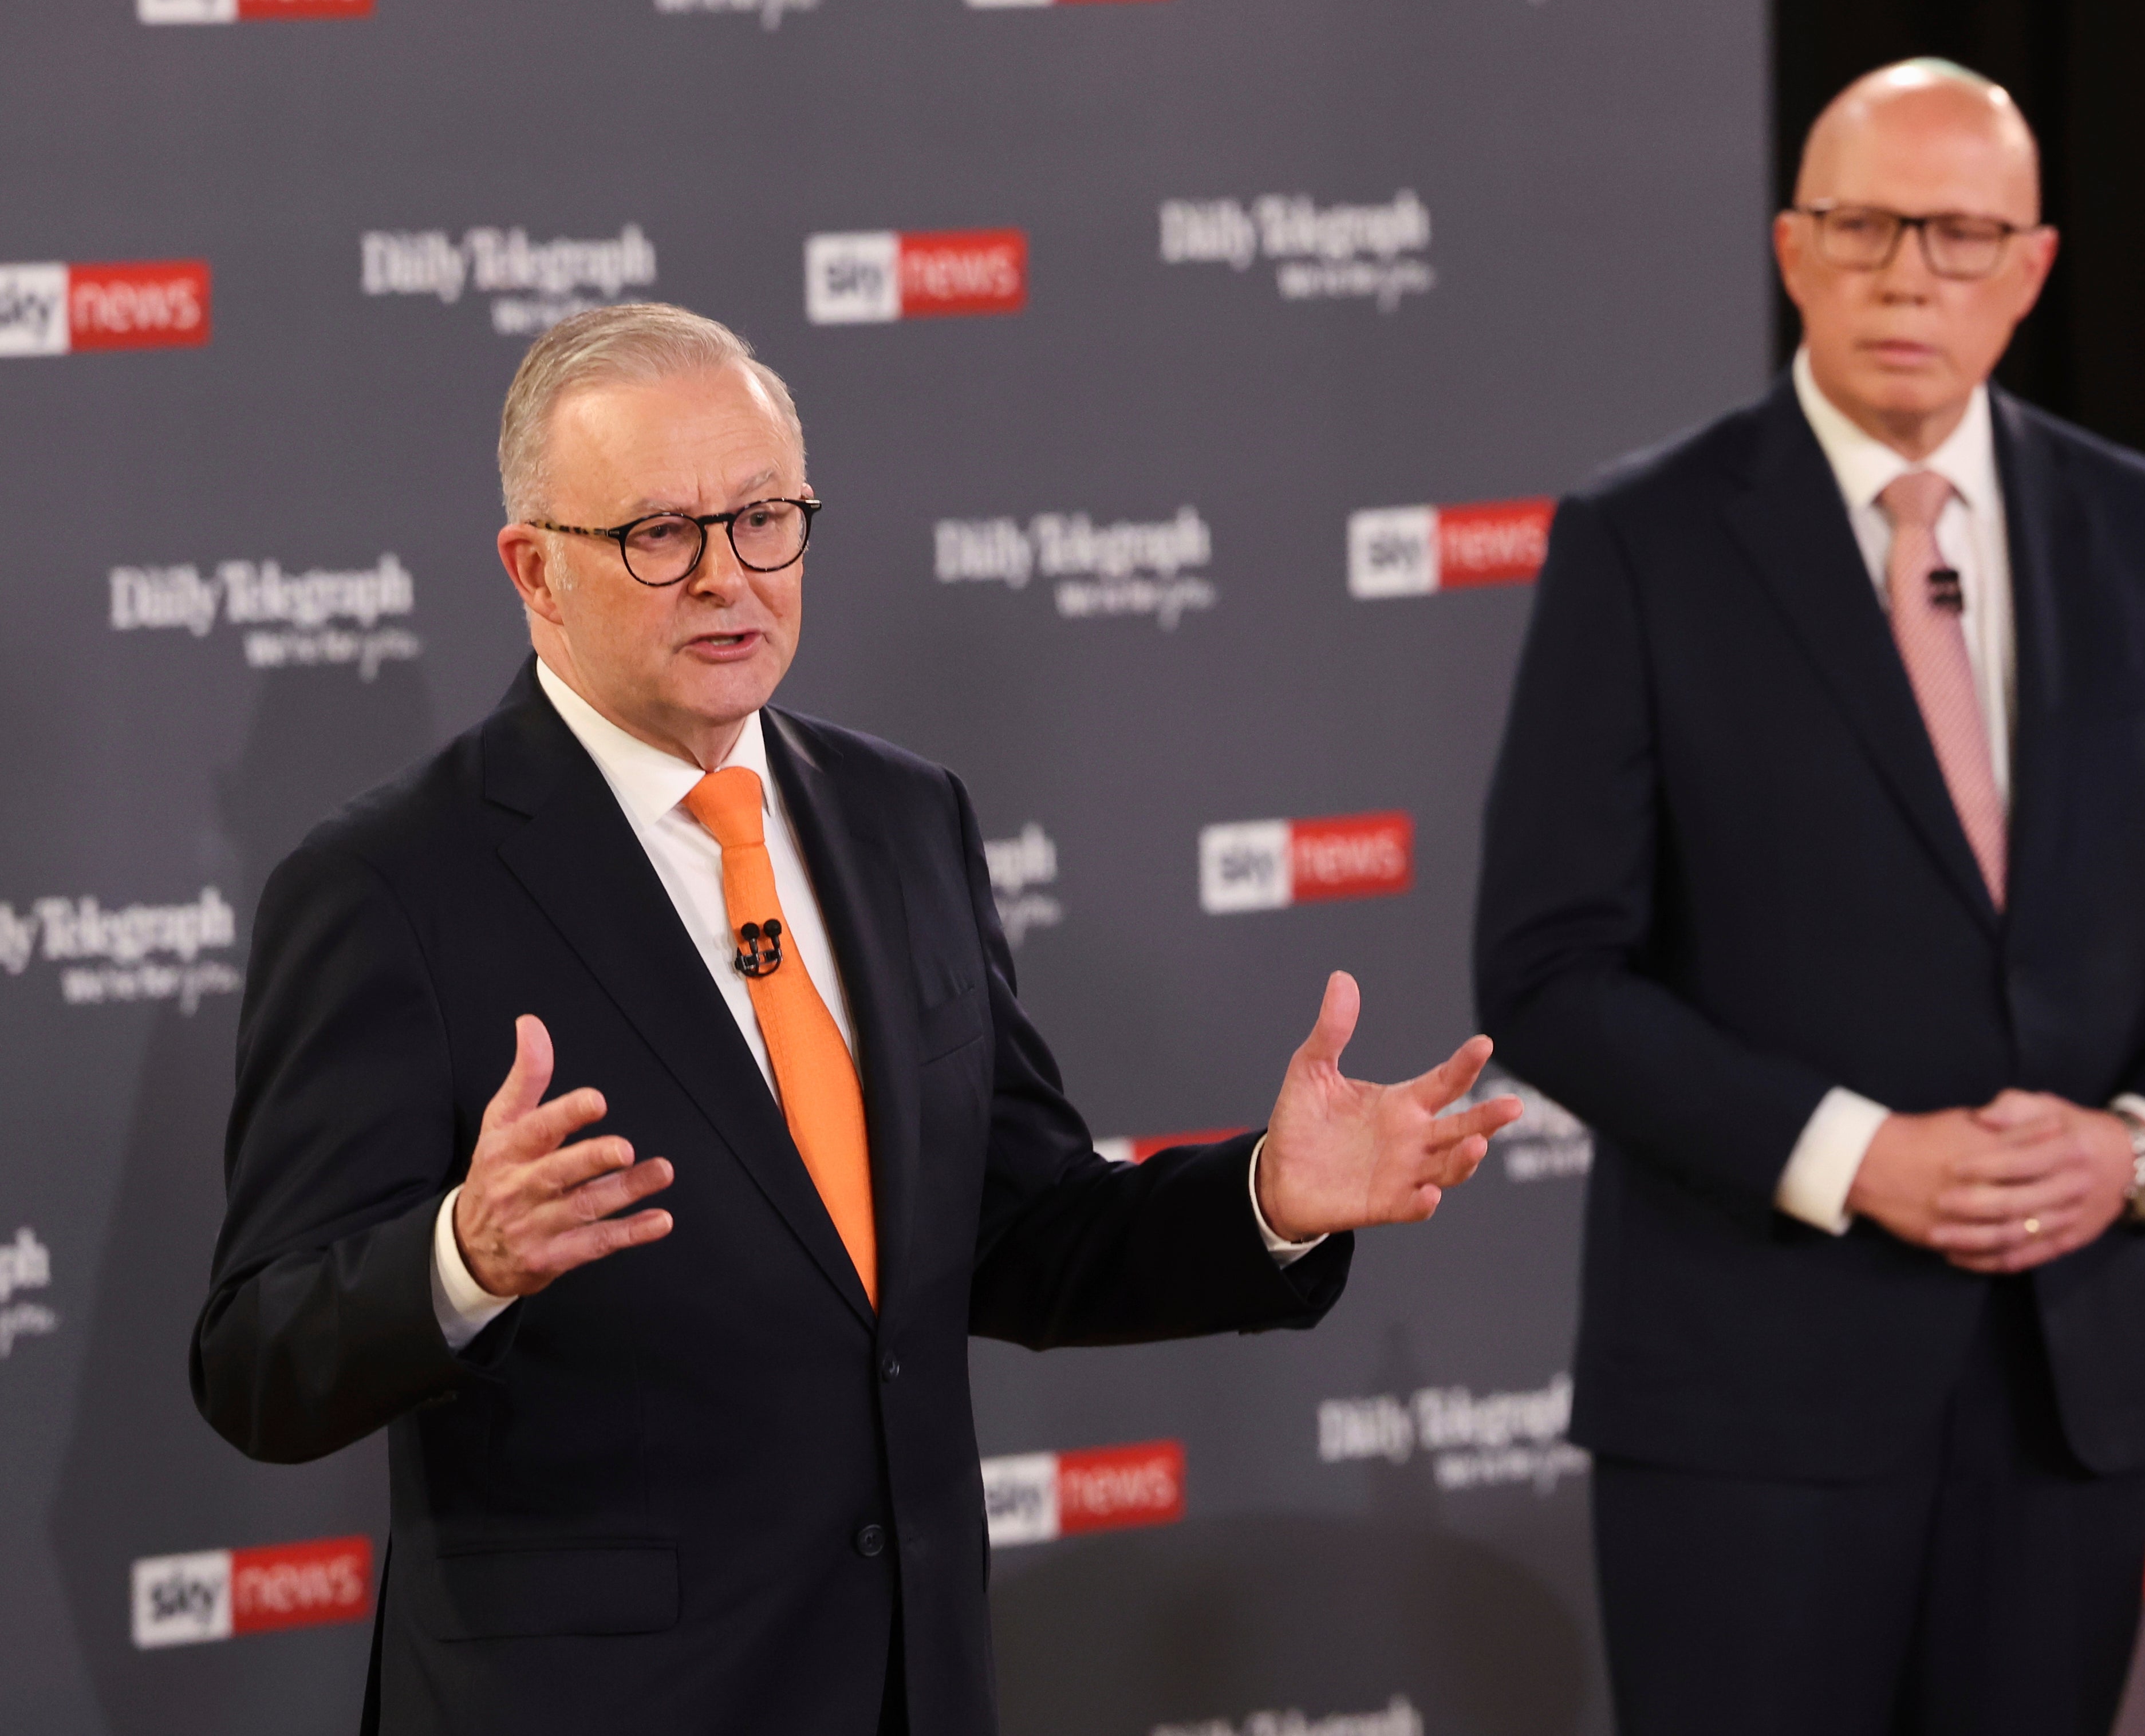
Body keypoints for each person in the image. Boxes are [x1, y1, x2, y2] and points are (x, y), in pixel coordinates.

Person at [193, 302, 1521, 1736]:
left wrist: (1268, 1197)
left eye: (764, 518)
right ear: (536, 574)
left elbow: (1017, 1232)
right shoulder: (392, 885)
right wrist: (465, 1257)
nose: (726, 578)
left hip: (908, 1686)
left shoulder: (900, 818)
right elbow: (259, 1359)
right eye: (660, 534)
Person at [1474, 59, 2145, 1736]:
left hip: (2065, 1395)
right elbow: (1550, 964)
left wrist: (2138, 1144)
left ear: (2029, 268)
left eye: (1959, 235)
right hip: (1746, 1407)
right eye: (1864, 227)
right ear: (1793, 249)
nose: (1906, 275)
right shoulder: (1641, 541)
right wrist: (1859, 1154)